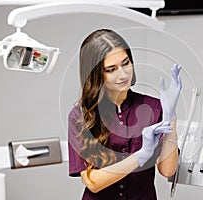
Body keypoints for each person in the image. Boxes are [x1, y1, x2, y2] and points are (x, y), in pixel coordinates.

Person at [68, 29, 182, 200]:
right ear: (95, 75)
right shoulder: (80, 117)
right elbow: (93, 182)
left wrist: (171, 119)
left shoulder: (154, 107)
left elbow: (167, 170)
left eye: (126, 63)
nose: (123, 74)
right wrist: (141, 156)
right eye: (111, 69)